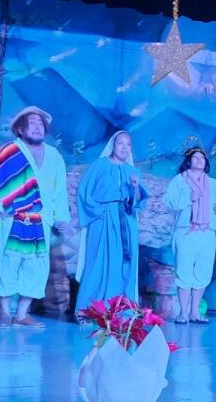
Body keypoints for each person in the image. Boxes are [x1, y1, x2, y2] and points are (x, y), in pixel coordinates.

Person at [0, 106, 71, 329]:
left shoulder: (54, 155)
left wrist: (61, 218)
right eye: (32, 123)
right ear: (20, 129)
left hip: (41, 218)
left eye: (41, 124)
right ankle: (4, 311)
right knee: (7, 262)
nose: (37, 127)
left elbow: (60, 189)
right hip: (11, 215)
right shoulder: (9, 151)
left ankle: (21, 314)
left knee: (37, 266)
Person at [74, 131, 148, 316]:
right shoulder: (100, 165)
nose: (124, 147)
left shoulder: (133, 171)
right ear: (113, 145)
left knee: (124, 265)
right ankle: (87, 310)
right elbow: (84, 191)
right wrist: (99, 211)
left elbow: (138, 202)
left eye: (128, 144)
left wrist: (135, 187)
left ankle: (119, 311)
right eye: (120, 143)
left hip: (126, 222)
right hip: (103, 220)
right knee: (97, 263)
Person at [163, 147, 216, 324]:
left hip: (207, 232)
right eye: (195, 157)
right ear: (189, 161)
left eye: (202, 157)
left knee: (203, 271)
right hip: (186, 231)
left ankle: (195, 312)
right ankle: (183, 313)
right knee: (184, 270)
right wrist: (188, 198)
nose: (199, 160)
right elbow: (168, 201)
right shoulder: (179, 180)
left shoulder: (212, 183)